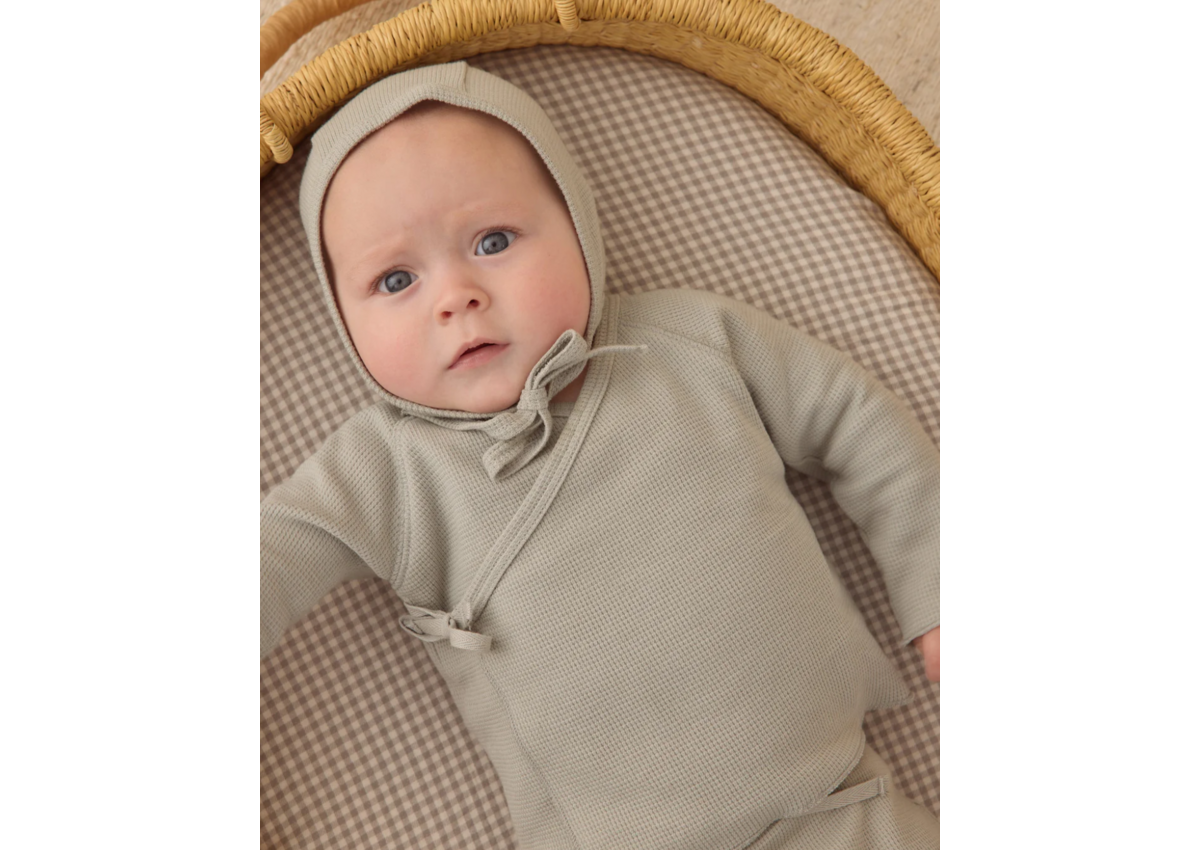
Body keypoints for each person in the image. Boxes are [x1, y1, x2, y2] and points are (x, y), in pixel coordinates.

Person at [261, 61, 940, 849]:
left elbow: (858, 425)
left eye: (493, 241)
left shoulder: (691, 342)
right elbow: (277, 553)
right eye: (395, 280)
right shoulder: (388, 469)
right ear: (342, 320)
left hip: (836, 805)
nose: (455, 296)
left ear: (578, 221)